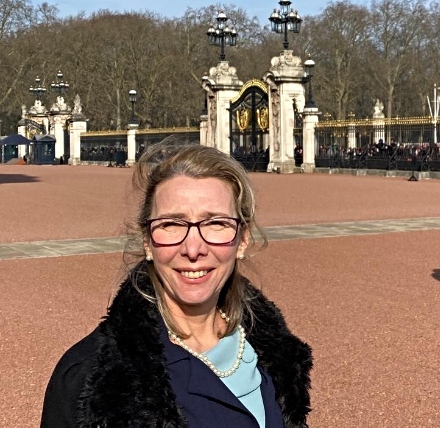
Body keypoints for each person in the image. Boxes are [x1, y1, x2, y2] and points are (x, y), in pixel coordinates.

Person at [41, 142, 313, 427]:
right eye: (171, 224)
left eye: (215, 223)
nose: (193, 249)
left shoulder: (274, 350)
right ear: (147, 241)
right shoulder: (88, 376)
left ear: (242, 239)